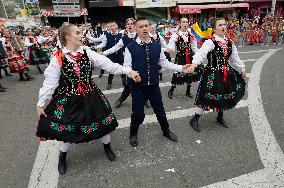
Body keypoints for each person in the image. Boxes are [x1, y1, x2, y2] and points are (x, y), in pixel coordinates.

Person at [36, 24, 140, 175]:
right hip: (70, 99)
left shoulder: (87, 52)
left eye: (82, 33)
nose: (82, 35)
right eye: (78, 33)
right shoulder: (58, 57)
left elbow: (109, 65)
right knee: (69, 130)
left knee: (102, 123)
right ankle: (62, 156)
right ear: (68, 37)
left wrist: (129, 71)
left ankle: (107, 147)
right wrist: (40, 104)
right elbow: (50, 83)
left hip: (91, 95)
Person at [123, 17, 191, 147]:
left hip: (154, 86)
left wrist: (181, 68)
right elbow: (127, 67)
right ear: (136, 29)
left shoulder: (156, 45)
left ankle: (166, 130)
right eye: (141, 26)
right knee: (138, 113)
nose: (144, 28)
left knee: (160, 110)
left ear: (149, 28)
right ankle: (133, 133)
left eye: (146, 26)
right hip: (138, 87)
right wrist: (132, 75)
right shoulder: (130, 47)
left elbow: (164, 63)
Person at [188, 18, 246, 132]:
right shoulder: (210, 41)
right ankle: (194, 119)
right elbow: (201, 53)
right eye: (220, 25)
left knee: (224, 93)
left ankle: (220, 117)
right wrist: (194, 64)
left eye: (224, 24)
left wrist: (242, 68)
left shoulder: (229, 42)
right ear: (214, 29)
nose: (223, 27)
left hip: (227, 72)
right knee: (207, 96)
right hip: (213, 73)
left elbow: (234, 58)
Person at [167, 17, 203, 99]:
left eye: (186, 22)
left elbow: (194, 47)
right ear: (180, 24)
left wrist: (199, 55)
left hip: (190, 57)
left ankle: (188, 91)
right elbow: (171, 44)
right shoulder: (176, 35)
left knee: (190, 74)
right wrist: (170, 48)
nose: (185, 24)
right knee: (177, 75)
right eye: (183, 22)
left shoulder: (191, 35)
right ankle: (171, 90)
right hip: (180, 57)